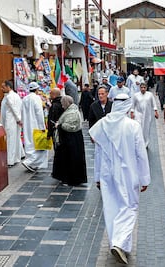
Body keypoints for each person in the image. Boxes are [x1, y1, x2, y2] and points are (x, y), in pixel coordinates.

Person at [89, 93, 150, 265]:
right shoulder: (133, 126)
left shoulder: (102, 125)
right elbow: (141, 154)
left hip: (107, 174)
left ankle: (120, 244)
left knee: (112, 208)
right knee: (130, 206)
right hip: (127, 173)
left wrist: (98, 177)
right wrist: (144, 178)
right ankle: (119, 242)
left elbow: (98, 152)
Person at [52, 95, 87, 186]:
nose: (62, 106)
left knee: (70, 159)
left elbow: (70, 126)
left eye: (63, 104)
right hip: (72, 139)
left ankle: (70, 179)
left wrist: (59, 125)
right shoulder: (72, 110)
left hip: (71, 140)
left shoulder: (71, 113)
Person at [21, 82, 48, 172]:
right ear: (37, 90)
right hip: (36, 125)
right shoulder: (36, 98)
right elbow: (39, 113)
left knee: (30, 144)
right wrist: (42, 126)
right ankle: (29, 162)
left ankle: (33, 163)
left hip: (27, 124)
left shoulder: (25, 99)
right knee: (40, 146)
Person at [0, 80, 24, 167]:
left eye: (3, 87)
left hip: (10, 121)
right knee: (15, 139)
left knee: (10, 141)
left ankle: (10, 160)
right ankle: (19, 155)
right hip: (14, 121)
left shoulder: (9, 97)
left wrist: (18, 119)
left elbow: (14, 109)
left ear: (8, 87)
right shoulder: (15, 96)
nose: (1, 89)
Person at [130, 82, 159, 147]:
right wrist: (132, 112)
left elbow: (154, 103)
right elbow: (133, 104)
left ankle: (145, 143)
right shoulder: (136, 95)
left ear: (146, 88)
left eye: (144, 87)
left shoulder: (150, 95)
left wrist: (156, 111)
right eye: (141, 87)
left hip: (147, 115)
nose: (143, 89)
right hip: (138, 114)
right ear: (139, 88)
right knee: (139, 127)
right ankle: (139, 142)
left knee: (146, 128)